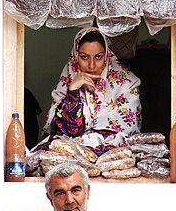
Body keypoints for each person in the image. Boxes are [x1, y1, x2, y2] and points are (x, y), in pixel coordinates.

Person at [42, 27, 141, 155]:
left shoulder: (127, 83)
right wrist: (73, 91)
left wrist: (88, 140)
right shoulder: (67, 81)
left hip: (114, 156)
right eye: (84, 57)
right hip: (71, 156)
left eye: (98, 57)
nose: (92, 65)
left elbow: (126, 132)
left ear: (106, 56)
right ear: (75, 57)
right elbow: (68, 131)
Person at [19, 162, 115, 211]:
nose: (69, 200)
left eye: (75, 190)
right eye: (60, 193)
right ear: (50, 198)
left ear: (87, 192)